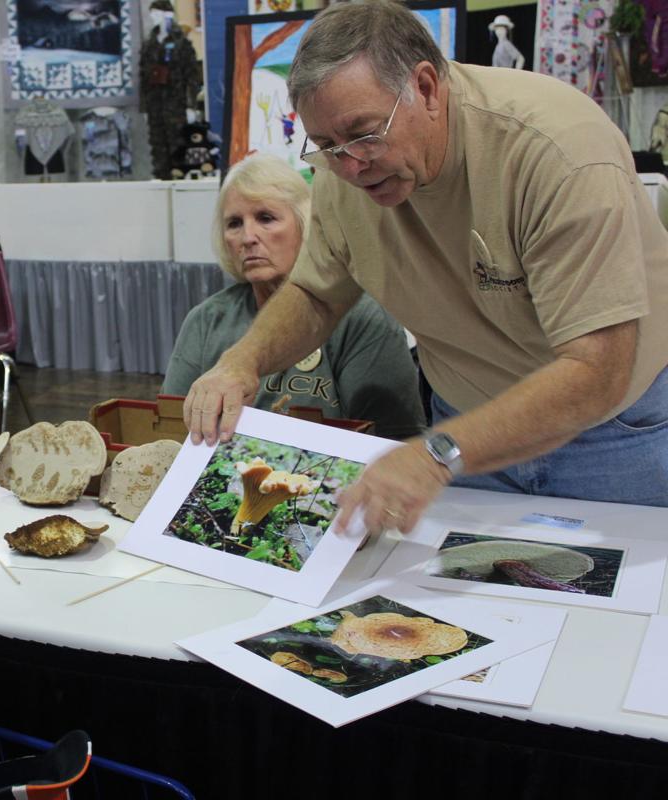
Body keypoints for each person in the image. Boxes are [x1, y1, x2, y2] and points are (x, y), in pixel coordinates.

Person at [184, 0, 668, 535]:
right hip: (467, 429)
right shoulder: (344, 173)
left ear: (428, 88)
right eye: (325, 145)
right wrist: (242, 361)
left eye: (364, 133)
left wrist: (435, 453)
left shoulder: (556, 152)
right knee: (481, 610)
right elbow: (317, 293)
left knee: (625, 609)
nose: (349, 165)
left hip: (614, 431)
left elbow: (596, 372)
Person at [162, 153, 425, 440]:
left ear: (304, 224)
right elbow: (171, 429)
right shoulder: (206, 320)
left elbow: (395, 439)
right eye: (234, 223)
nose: (248, 237)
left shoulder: (362, 318)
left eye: (266, 218)